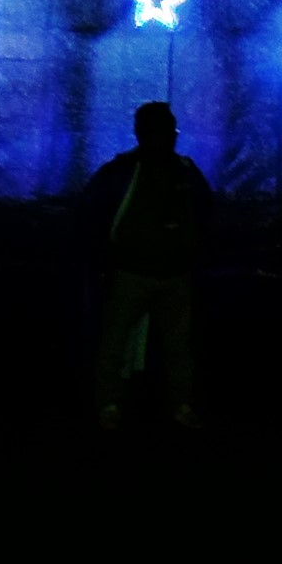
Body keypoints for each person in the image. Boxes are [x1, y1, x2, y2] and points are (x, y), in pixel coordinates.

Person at [89, 101, 211, 430]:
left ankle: (112, 406)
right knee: (169, 347)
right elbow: (206, 213)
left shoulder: (125, 171)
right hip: (148, 272)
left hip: (150, 272)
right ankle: (175, 406)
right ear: (143, 134)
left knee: (124, 343)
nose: (167, 138)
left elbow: (92, 213)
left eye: (168, 131)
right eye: (162, 131)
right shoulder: (175, 171)